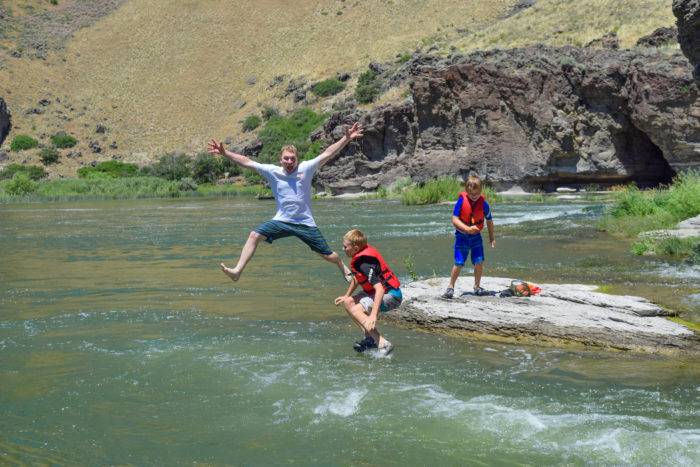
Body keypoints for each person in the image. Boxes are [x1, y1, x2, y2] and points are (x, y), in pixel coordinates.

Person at [206, 122, 364, 283]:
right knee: (254, 235)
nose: (289, 161)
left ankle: (340, 264)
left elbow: (328, 153)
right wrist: (225, 153)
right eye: (286, 159)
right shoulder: (272, 171)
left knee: (328, 255)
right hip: (282, 220)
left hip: (305, 222)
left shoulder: (306, 168)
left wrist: (346, 138)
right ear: (280, 160)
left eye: (292, 159)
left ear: (297, 160)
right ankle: (237, 271)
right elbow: (246, 162)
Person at [335, 229, 402, 355]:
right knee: (348, 302)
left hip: (392, 295)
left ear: (355, 248)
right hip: (375, 293)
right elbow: (357, 277)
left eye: (345, 247)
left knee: (356, 310)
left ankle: (383, 343)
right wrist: (347, 295)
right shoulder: (359, 257)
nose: (343, 249)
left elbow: (380, 289)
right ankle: (370, 338)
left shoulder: (364, 263)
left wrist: (373, 315)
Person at [442, 175, 496, 299]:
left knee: (479, 261)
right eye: (471, 195)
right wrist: (467, 229)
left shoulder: (484, 204)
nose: (474, 197)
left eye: (476, 194)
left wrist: (492, 237)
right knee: (459, 262)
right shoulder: (461, 201)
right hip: (462, 237)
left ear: (480, 191)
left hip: (476, 237)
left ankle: (477, 287)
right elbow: (454, 219)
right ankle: (450, 287)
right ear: (466, 191)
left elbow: (489, 221)